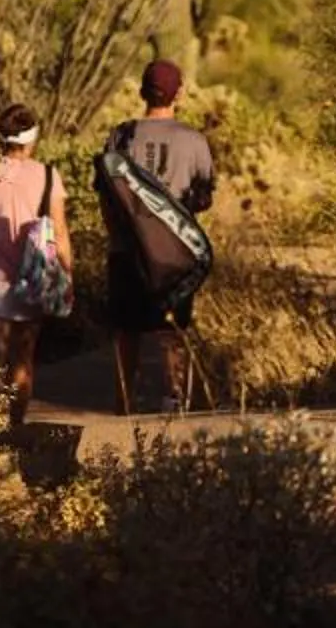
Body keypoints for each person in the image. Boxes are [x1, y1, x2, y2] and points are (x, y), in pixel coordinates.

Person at [102, 58, 215, 411]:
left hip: (127, 247)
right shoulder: (194, 141)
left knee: (126, 329)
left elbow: (106, 191)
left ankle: (123, 399)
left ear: (141, 92)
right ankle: (176, 397)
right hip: (176, 251)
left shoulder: (121, 135)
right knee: (171, 328)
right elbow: (204, 196)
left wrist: (117, 233)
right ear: (178, 93)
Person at [0, 101, 73, 432]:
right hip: (34, 280)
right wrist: (68, 278)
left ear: (0, 138)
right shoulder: (48, 176)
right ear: (32, 140)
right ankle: (15, 428)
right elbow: (60, 232)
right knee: (23, 362)